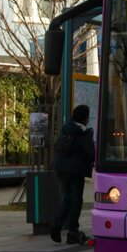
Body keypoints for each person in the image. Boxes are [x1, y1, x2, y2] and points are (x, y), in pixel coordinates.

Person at [52, 104, 94, 244]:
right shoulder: (83, 132)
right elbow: (91, 153)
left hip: (61, 169)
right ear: (85, 118)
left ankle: (57, 225)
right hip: (76, 171)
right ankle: (72, 231)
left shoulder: (66, 129)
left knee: (66, 197)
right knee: (76, 200)